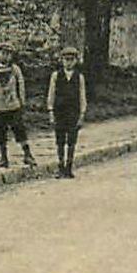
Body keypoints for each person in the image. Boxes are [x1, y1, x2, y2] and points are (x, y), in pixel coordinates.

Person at [0, 46, 33, 168]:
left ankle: (27, 154)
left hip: (13, 106)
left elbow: (20, 85)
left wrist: (22, 102)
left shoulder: (15, 69)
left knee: (19, 129)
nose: (5, 56)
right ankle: (3, 158)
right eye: (3, 53)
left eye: (8, 54)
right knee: (0, 132)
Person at [46, 46, 88, 179]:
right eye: (66, 59)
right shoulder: (56, 75)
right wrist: (51, 111)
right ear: (62, 60)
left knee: (71, 140)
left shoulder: (79, 77)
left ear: (75, 61)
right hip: (60, 112)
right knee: (59, 140)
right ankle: (60, 166)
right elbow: (51, 94)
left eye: (71, 59)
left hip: (73, 113)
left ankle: (69, 167)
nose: (68, 62)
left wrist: (82, 114)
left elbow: (82, 96)